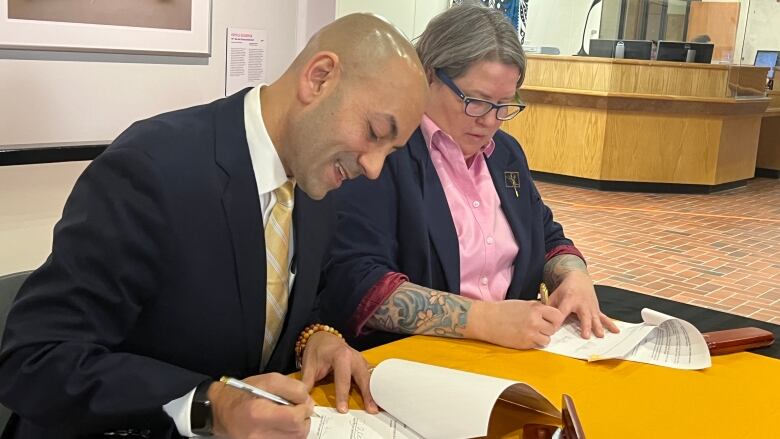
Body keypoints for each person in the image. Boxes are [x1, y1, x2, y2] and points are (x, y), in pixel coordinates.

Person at [0, 13, 427, 439]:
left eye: (391, 151)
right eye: (374, 133)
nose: (374, 168)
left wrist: (317, 338)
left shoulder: (315, 182)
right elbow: (34, 358)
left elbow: (268, 308)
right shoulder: (152, 170)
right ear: (319, 79)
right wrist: (208, 407)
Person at [319, 5, 619, 352]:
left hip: (515, 355)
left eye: (505, 105)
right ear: (429, 76)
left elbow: (545, 234)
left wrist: (574, 275)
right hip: (417, 361)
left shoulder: (505, 154)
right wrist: (483, 320)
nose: (490, 121)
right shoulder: (382, 154)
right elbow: (358, 282)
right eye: (477, 102)